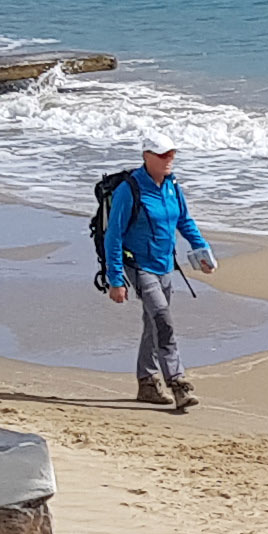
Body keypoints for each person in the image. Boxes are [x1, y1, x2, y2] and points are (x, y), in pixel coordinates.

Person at [91, 131, 216, 409]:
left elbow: (184, 220)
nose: (169, 158)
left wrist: (202, 249)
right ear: (147, 157)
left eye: (172, 153)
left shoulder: (172, 186)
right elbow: (114, 236)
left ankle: (147, 382)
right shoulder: (129, 189)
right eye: (162, 154)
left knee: (153, 324)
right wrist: (115, 279)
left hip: (165, 266)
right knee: (163, 320)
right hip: (139, 266)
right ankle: (178, 383)